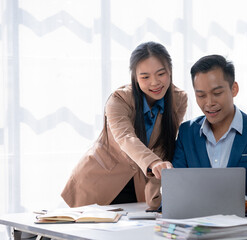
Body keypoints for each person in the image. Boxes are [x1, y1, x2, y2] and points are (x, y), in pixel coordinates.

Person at [61, 42, 187, 209]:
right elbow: (126, 138)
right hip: (98, 180)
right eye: (145, 77)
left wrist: (155, 196)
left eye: (161, 74)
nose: (155, 82)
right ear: (134, 77)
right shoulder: (119, 99)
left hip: (138, 187)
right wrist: (154, 163)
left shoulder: (178, 99)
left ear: (170, 71)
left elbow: (163, 147)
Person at [171, 55, 247, 219]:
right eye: (201, 95)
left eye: (217, 93)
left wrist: (239, 204)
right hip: (198, 232)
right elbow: (178, 193)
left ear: (234, 89)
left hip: (244, 234)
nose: (209, 103)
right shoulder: (187, 133)